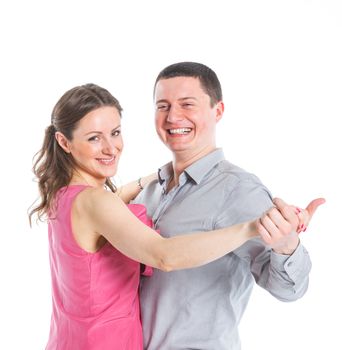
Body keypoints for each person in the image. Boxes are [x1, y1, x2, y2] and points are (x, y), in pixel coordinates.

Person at [29, 83, 311, 350]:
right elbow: (164, 255)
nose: (110, 147)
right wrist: (252, 227)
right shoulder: (97, 201)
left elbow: (288, 288)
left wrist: (152, 178)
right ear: (64, 142)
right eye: (94, 138)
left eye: (115, 132)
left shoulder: (63, 196)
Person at [133, 62, 325, 350]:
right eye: (163, 106)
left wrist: (287, 246)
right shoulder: (147, 191)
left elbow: (289, 290)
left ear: (218, 111)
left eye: (187, 104)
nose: (173, 116)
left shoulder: (238, 190)